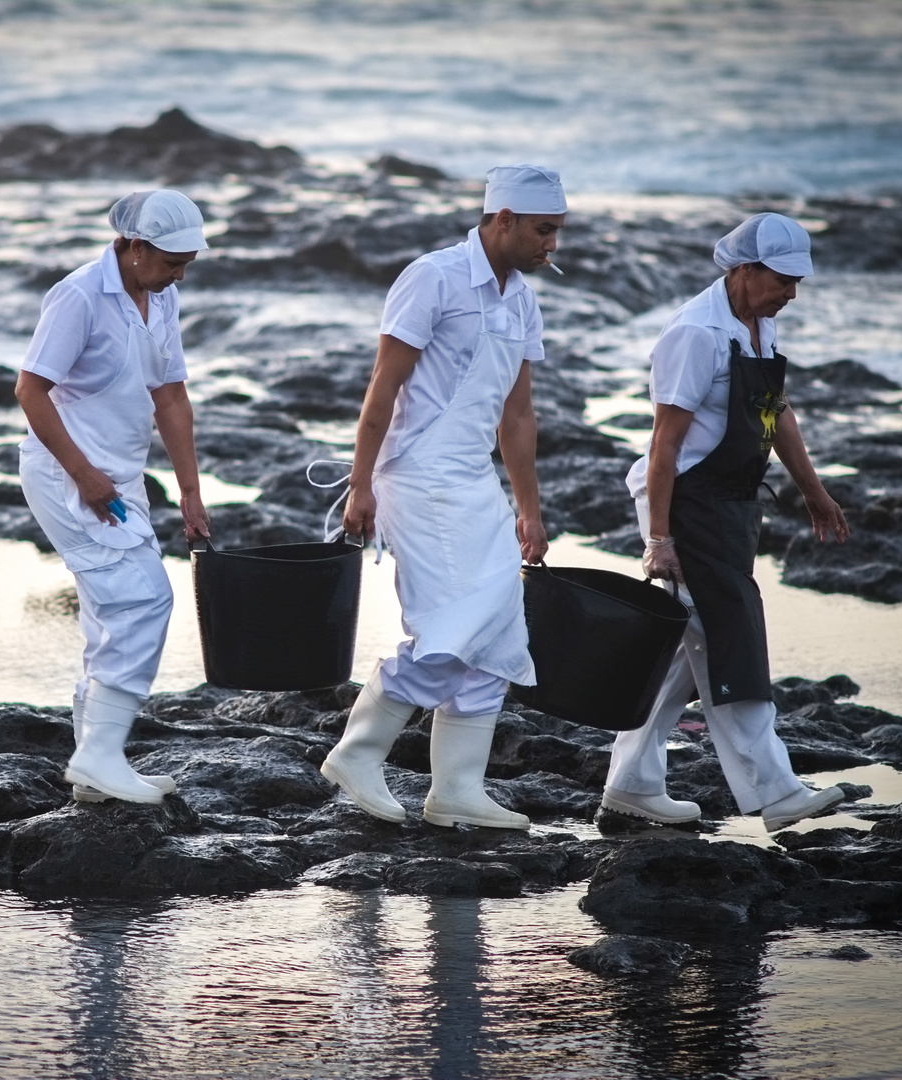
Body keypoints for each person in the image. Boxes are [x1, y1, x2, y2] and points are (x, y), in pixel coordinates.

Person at [321, 164, 562, 830]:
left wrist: (529, 508)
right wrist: (361, 483)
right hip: (417, 474)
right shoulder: (433, 277)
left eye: (558, 232)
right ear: (502, 219)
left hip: (473, 481)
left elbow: (517, 416)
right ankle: (359, 750)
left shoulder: (523, 301)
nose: (553, 246)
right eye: (544, 231)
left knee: (500, 628)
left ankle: (457, 788)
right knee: (456, 627)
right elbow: (384, 387)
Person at [602, 212, 853, 833]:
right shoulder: (695, 334)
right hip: (686, 500)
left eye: (799, 281)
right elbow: (664, 445)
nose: (792, 293)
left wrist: (813, 491)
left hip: (732, 501)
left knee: (691, 646)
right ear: (744, 270)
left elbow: (778, 412)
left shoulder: (757, 325)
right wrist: (658, 539)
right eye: (783, 279)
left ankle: (631, 783)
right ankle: (776, 791)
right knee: (726, 637)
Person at [15, 189, 212, 805]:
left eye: (187, 263)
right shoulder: (78, 297)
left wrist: (190, 494)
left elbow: (172, 396)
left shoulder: (162, 295)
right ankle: (99, 756)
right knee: (143, 601)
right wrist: (84, 476)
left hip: (120, 478)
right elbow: (30, 391)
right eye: (171, 261)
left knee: (111, 612)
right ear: (133, 246)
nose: (180, 274)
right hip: (67, 476)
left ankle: (93, 766)